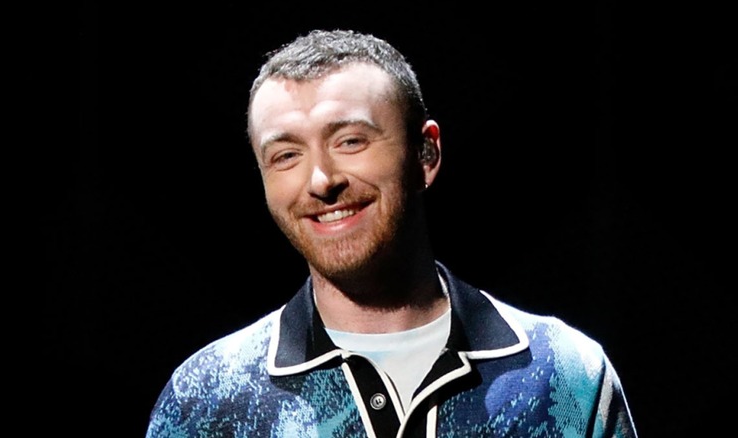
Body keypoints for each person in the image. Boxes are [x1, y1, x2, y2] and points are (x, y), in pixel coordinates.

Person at [145, 29, 638, 437]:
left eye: (350, 140)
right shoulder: (207, 397)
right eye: (286, 156)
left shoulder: (564, 374)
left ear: (425, 154)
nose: (321, 180)